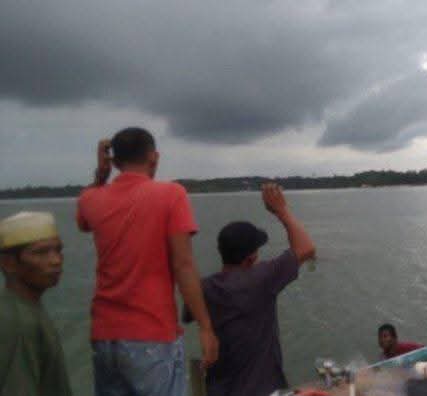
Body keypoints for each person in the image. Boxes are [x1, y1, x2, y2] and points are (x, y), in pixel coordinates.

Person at [76, 127, 218, 396]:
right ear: (154, 157)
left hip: (104, 335)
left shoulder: (91, 198)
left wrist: (100, 175)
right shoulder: (171, 194)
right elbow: (183, 265)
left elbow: (83, 220)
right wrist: (206, 327)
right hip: (152, 333)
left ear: (115, 162)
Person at [183, 183, 316, 396]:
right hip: (262, 390)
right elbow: (306, 248)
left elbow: (188, 314)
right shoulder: (262, 279)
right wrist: (281, 210)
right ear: (251, 258)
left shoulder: (204, 288)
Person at [0, 211, 72, 396]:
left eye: (58, 250)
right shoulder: (18, 323)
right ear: (8, 263)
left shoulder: (24, 308)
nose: (56, 260)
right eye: (40, 253)